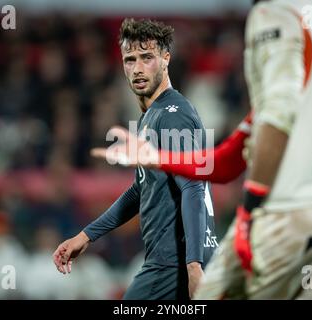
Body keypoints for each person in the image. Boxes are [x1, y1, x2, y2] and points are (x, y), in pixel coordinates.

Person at [93, 0, 312, 299]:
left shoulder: (277, 14)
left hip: (293, 211)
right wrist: (159, 158)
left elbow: (277, 117)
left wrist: (249, 212)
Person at [52, 18, 218, 300]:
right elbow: (142, 189)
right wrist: (86, 236)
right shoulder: (151, 117)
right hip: (175, 261)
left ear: (166, 59)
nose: (138, 68)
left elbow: (192, 186)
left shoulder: (172, 114)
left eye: (147, 58)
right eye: (130, 60)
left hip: (173, 263)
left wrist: (193, 265)